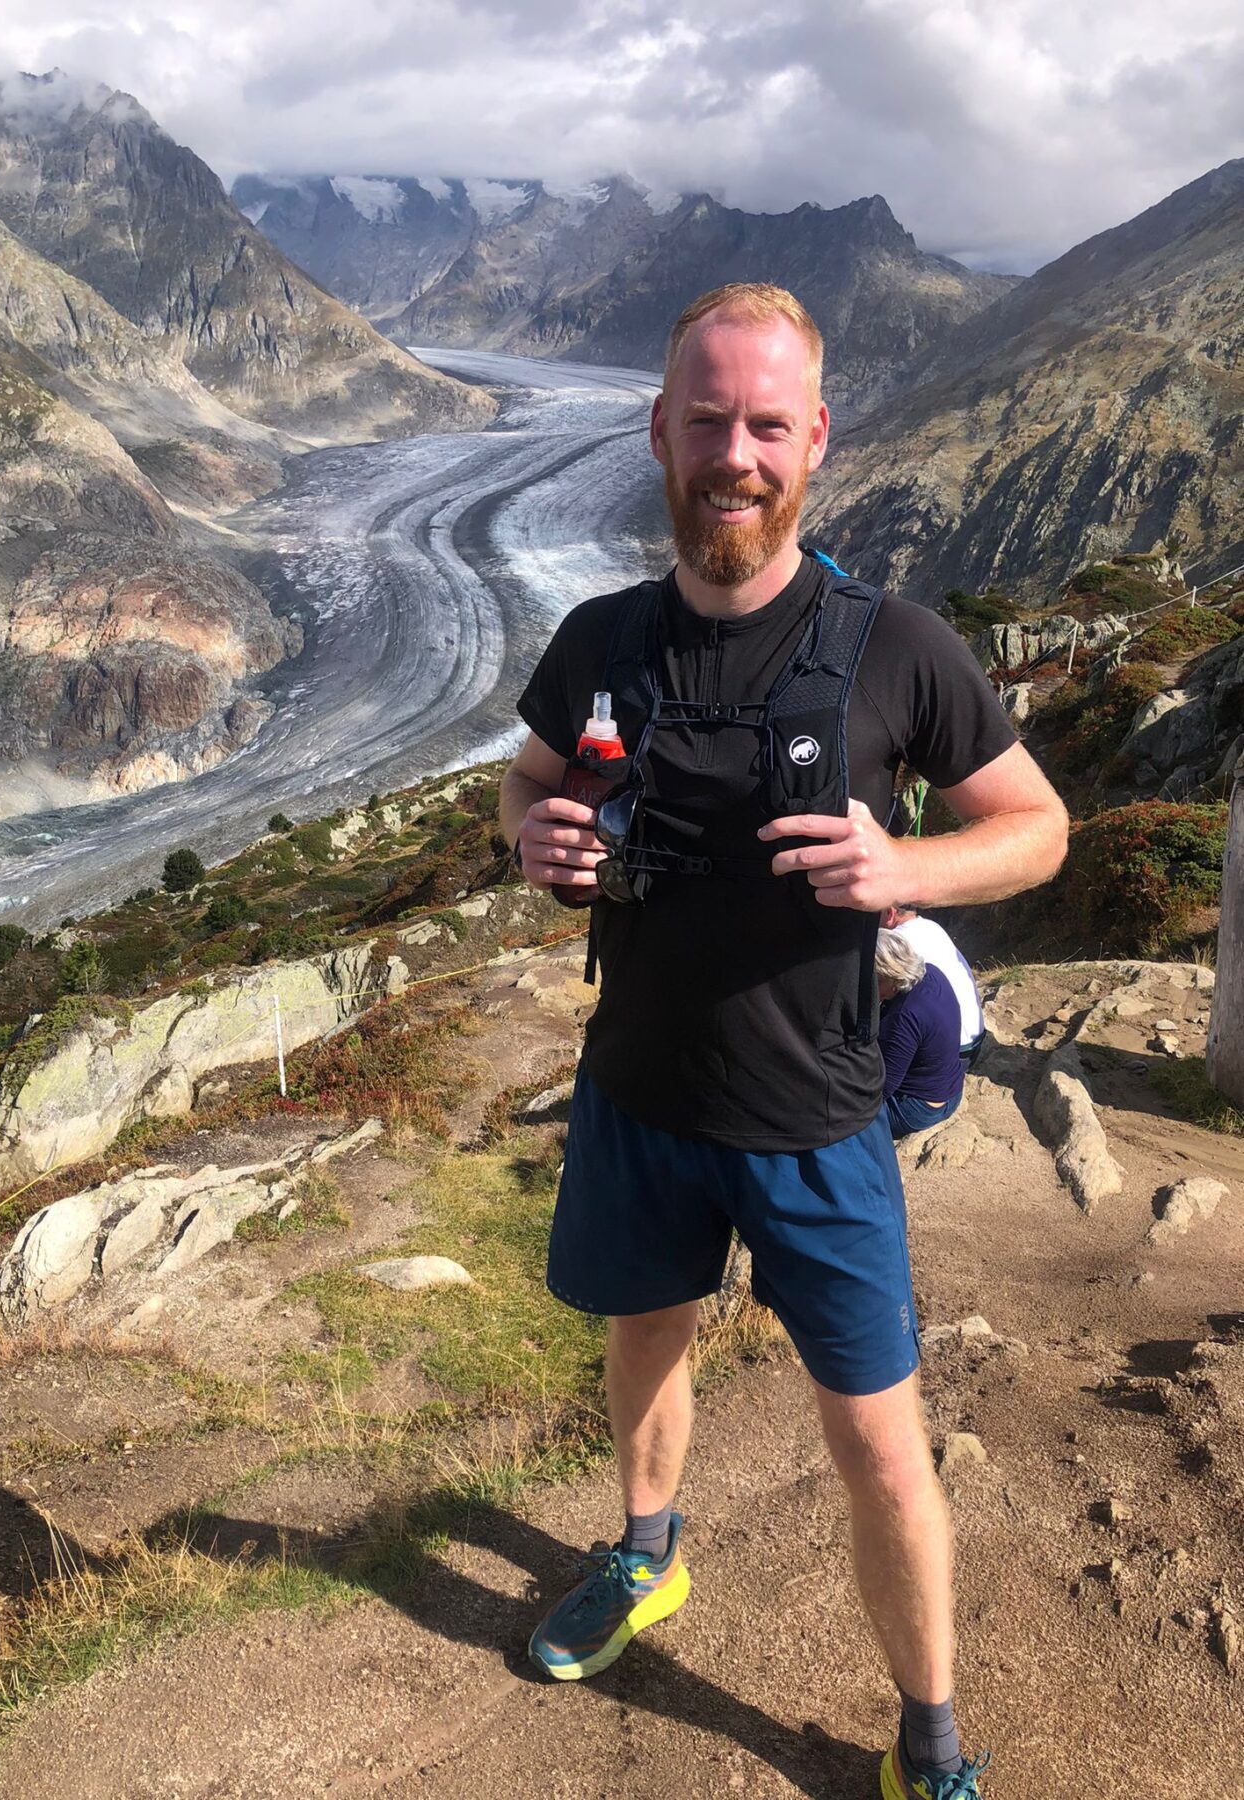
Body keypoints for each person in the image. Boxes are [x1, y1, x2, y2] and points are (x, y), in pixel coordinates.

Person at [498, 281, 1068, 1800]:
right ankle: (644, 1557)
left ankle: (928, 1736)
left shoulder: (896, 647)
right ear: (660, 431)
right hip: (633, 1093)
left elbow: (1034, 830)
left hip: (819, 1119)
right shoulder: (599, 637)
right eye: (704, 421)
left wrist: (908, 868)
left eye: (764, 424)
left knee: (880, 1443)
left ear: (813, 438)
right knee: (643, 1344)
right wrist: (532, 838)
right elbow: (527, 782)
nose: (731, 454)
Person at [876, 930, 966, 1138]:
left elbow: (883, 1088)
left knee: (841, 1122)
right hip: (951, 1088)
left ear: (889, 977)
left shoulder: (904, 1015)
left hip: (918, 1108)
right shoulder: (932, 973)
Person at [883, 902, 987, 1068]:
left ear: (889, 913)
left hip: (952, 1053)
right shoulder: (930, 926)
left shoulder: (897, 942)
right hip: (973, 1041)